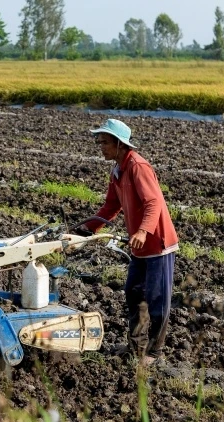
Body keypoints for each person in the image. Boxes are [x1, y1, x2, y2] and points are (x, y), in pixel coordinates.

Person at [76, 118, 179, 366]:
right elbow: (112, 206)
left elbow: (154, 203)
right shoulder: (118, 169)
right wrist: (86, 229)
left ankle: (153, 352)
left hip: (158, 245)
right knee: (133, 295)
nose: (100, 147)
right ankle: (135, 347)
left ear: (120, 144)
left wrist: (143, 231)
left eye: (104, 142)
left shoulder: (138, 167)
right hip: (140, 247)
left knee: (157, 300)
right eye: (98, 142)